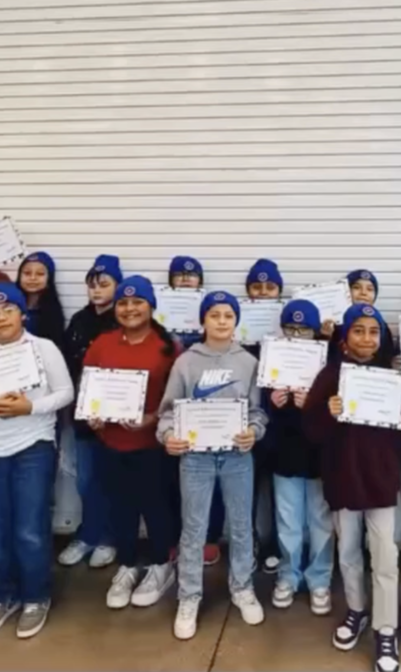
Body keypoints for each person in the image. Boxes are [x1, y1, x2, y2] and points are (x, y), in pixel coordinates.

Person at [0, 284, 75, 640]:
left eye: (8, 310)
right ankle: (3, 595)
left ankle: (36, 596)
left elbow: (65, 392)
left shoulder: (43, 348)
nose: (0, 317)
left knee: (30, 531)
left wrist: (30, 408)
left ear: (23, 314)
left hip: (33, 446)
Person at [303, 303, 401, 672]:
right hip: (342, 478)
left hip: (381, 480)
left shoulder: (392, 376)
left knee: (385, 555)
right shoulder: (329, 375)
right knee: (349, 552)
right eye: (359, 330)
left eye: (374, 331)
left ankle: (386, 629)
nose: (367, 338)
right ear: (344, 337)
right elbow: (311, 430)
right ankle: (357, 610)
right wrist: (327, 412)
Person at [158, 291, 267, 641]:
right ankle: (189, 596)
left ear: (237, 321)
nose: (221, 321)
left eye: (228, 315)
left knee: (240, 525)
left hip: (237, 457)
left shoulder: (248, 362)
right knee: (194, 527)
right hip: (195, 458)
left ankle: (242, 587)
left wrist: (254, 431)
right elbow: (167, 413)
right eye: (214, 315)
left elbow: (257, 412)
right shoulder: (186, 362)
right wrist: (169, 435)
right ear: (202, 321)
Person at [83, 276, 180, 610]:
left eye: (138, 302)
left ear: (151, 306)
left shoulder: (169, 347)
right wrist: (92, 415)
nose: (129, 308)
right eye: (123, 303)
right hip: (110, 443)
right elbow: (89, 390)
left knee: (156, 507)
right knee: (120, 506)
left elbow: (177, 401)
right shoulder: (103, 343)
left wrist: (151, 418)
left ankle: (160, 566)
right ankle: (127, 564)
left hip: (152, 445)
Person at [266, 300, 334, 616]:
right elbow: (257, 411)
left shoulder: (329, 363)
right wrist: (273, 403)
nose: (296, 335)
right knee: (287, 521)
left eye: (303, 329)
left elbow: (340, 412)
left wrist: (314, 403)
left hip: (320, 455)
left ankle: (319, 579)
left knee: (321, 521)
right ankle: (287, 576)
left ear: (315, 332)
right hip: (285, 454)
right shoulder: (270, 360)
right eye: (290, 329)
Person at [56, 254, 121, 566]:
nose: (97, 291)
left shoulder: (124, 320)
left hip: (117, 418)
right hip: (84, 415)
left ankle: (108, 538)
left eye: (104, 284)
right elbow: (67, 363)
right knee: (85, 480)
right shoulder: (80, 320)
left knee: (110, 480)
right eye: (92, 285)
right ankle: (87, 534)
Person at [243, 257, 285, 572]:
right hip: (245, 419)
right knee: (247, 485)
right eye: (256, 287)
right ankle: (251, 541)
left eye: (270, 287)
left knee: (275, 488)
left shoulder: (289, 334)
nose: (263, 292)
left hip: (281, 420)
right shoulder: (237, 329)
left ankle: (273, 544)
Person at [328, 270, 396, 362]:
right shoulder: (331, 324)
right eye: (356, 287)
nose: (363, 293)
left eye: (370, 289)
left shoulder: (381, 326)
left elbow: (387, 359)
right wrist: (326, 337)